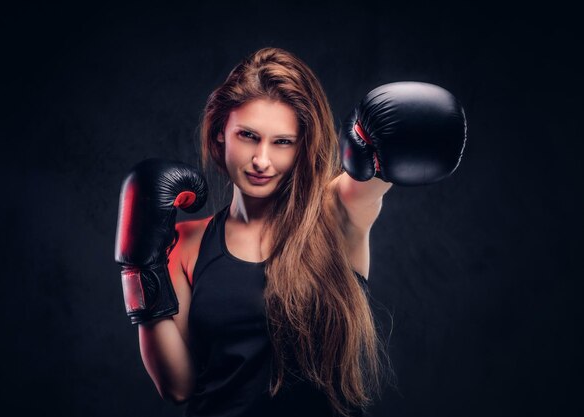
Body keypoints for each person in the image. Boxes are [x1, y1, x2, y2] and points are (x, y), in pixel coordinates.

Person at [114, 47, 466, 417]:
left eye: (282, 142)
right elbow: (177, 386)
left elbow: (373, 176)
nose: (262, 160)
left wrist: (375, 143)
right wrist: (139, 267)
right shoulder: (186, 243)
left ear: (302, 147)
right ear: (221, 133)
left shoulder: (335, 212)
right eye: (248, 135)